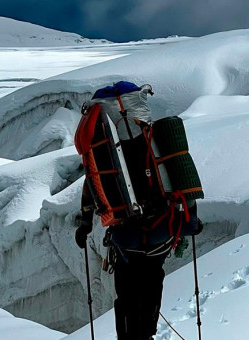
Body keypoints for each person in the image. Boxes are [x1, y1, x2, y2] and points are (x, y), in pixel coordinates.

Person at [74, 82, 202, 340]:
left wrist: (85, 223)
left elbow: (93, 184)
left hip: (126, 237)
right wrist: (192, 218)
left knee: (127, 292)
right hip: (160, 232)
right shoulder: (157, 139)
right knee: (153, 281)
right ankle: (147, 333)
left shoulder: (104, 151)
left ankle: (131, 336)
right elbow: (181, 177)